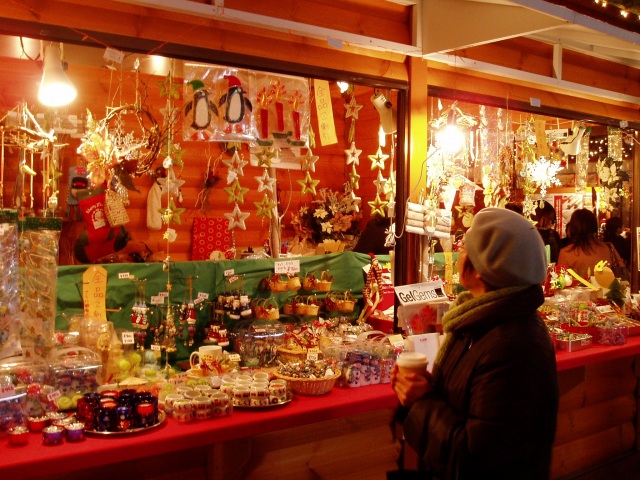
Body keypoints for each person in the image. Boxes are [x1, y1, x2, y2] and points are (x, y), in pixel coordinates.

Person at [391, 207, 558, 480]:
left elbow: (475, 461)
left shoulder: (514, 348)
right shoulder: (477, 322)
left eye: (465, 249)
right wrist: (425, 387)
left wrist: (422, 403)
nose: (459, 255)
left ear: (481, 269)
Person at [558, 208, 625, 279]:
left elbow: (560, 282)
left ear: (573, 228)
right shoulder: (608, 248)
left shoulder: (566, 253)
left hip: (576, 290)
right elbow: (621, 268)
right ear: (594, 226)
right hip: (607, 289)